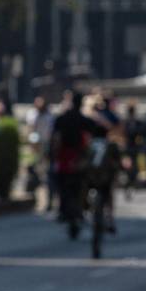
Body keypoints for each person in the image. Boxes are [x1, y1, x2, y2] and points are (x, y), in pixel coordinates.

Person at [50, 92, 99, 226]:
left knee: (61, 184)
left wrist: (52, 155)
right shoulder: (84, 120)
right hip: (78, 157)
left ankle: (63, 210)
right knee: (82, 182)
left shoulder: (61, 119)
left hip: (64, 157)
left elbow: (54, 139)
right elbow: (94, 134)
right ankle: (79, 208)